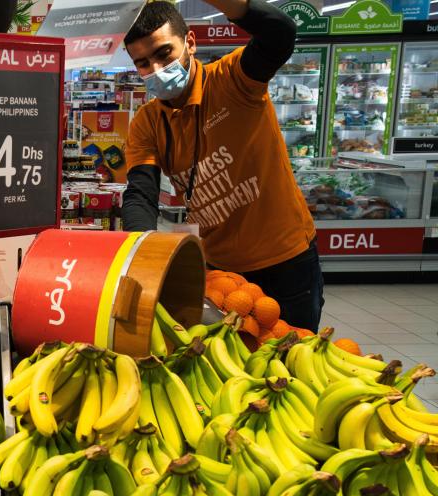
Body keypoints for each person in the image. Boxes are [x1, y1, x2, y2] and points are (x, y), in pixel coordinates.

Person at [121, 0, 323, 332]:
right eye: (142, 63)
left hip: (285, 261)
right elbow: (141, 193)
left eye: (163, 54)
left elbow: (281, 33)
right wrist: (144, 255)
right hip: (219, 271)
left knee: (292, 359)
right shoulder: (147, 122)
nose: (155, 69)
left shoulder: (233, 80)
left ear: (190, 43)